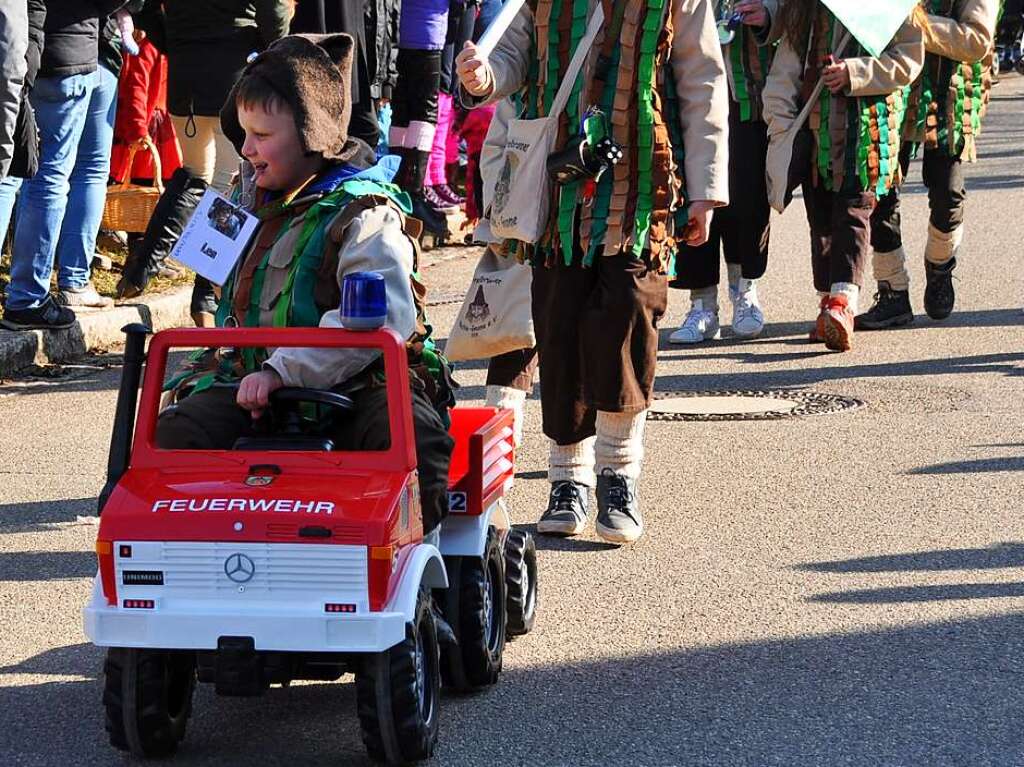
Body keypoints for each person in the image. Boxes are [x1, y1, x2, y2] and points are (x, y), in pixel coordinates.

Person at [155, 33, 455, 535]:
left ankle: (412, 567)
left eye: (261, 135)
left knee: (413, 443)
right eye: (244, 132)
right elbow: (214, 275)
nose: (246, 148)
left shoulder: (365, 212)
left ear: (311, 135)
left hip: (358, 386)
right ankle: (191, 557)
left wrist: (282, 371)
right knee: (173, 435)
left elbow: (381, 323)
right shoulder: (246, 195)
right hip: (253, 386)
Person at [457, 0, 729, 544]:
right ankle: (567, 479)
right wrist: (484, 77)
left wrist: (705, 190)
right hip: (554, 191)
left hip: (643, 185)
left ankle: (618, 476)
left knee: (627, 318)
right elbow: (512, 54)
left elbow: (702, 81)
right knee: (559, 328)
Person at [761, 1, 926, 351]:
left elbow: (908, 60)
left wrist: (856, 72)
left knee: (854, 212)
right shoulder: (805, 9)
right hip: (816, 132)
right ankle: (827, 302)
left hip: (868, 131)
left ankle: (842, 303)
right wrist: (780, 123)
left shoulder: (893, 7)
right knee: (820, 219)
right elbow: (786, 68)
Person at [135, 0, 293, 326]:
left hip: (185, 72)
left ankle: (142, 267)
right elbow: (274, 10)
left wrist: (175, 41)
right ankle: (205, 294)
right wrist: (272, 49)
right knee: (226, 184)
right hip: (233, 69)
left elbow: (145, 7)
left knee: (194, 174)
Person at [857, 0, 1000, 330]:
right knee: (881, 190)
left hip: (949, 95)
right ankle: (893, 292)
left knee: (947, 194)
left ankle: (939, 266)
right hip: (892, 89)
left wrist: (913, 23)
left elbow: (976, 41)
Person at [0, 0, 128, 332]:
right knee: (51, 179)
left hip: (23, 50)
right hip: (66, 54)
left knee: (10, 176)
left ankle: (34, 293)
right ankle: (29, 297)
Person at [669, 0, 776, 344]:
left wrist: (769, 13)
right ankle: (702, 304)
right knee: (691, 194)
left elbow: (795, 19)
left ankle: (744, 290)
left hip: (748, 94)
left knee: (747, 199)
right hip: (688, 92)